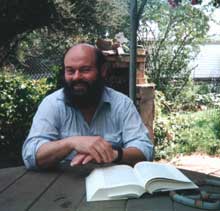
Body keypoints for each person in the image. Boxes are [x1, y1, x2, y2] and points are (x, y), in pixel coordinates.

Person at [22, 43, 154, 170]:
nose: (76, 77)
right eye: (70, 71)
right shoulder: (52, 104)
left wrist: (113, 154)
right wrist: (71, 143)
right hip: (61, 185)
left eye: (85, 70)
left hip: (111, 185)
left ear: (102, 70)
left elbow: (144, 149)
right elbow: (30, 155)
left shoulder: (122, 104)